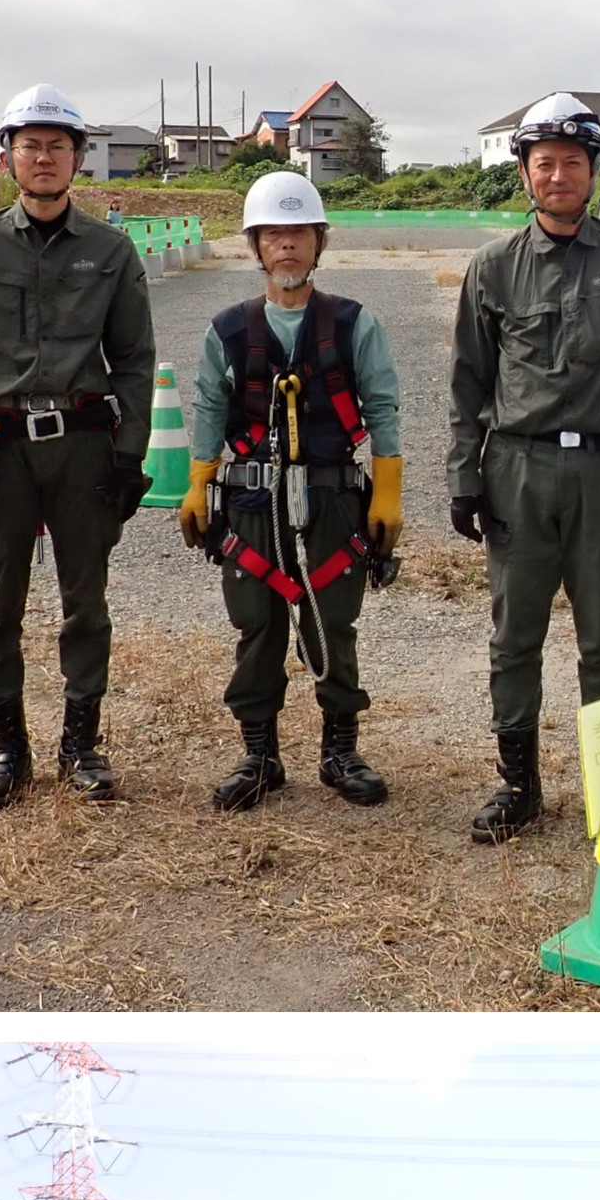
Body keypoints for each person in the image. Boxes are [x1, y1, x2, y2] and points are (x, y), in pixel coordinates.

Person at [447, 94, 600, 842]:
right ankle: (517, 785)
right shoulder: (492, 268)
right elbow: (467, 383)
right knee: (514, 634)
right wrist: (463, 477)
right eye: (542, 164)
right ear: (524, 174)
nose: (557, 176)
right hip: (516, 467)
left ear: (593, 172)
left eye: (571, 163)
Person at [0, 84, 156, 812]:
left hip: (85, 444)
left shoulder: (111, 252)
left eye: (59, 146)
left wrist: (129, 455)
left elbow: (136, 360)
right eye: (30, 145)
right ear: (7, 158)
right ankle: (8, 752)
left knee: (85, 604)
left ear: (79, 159)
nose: (45, 157)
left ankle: (82, 746)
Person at [180, 170, 405, 811]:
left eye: (298, 233)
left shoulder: (353, 325)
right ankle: (259, 754)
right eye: (274, 234)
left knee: (334, 623)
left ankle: (340, 751)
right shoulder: (227, 330)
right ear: (256, 246)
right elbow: (206, 408)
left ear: (318, 242)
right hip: (251, 503)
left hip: (334, 498)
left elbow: (384, 408)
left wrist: (387, 493)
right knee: (256, 626)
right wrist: (198, 485)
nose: (287, 246)